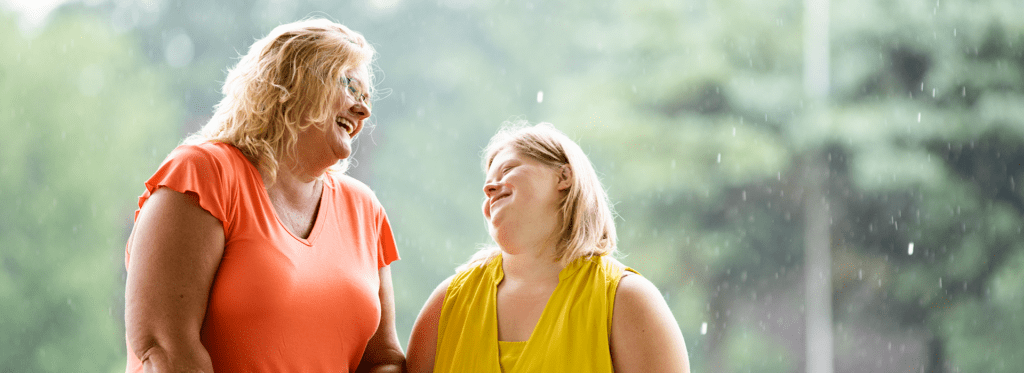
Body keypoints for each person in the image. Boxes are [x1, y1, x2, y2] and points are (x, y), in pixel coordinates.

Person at [123, 18, 404, 373]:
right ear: (294, 81)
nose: (363, 110)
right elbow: (165, 349)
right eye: (350, 87)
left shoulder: (365, 210)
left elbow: (383, 360)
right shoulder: (204, 173)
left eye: (366, 98)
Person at [406, 121, 690, 372]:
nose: (489, 189)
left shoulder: (626, 300)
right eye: (487, 184)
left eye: (508, 169)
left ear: (564, 177)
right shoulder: (447, 304)